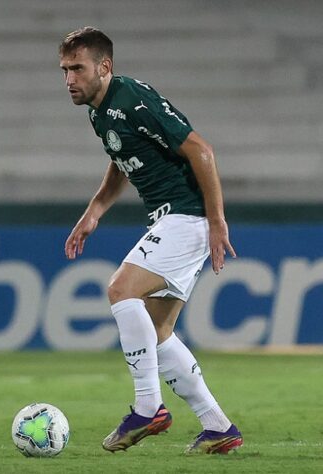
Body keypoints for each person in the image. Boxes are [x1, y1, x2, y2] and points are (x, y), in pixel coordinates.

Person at [59, 26, 243, 455]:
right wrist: (94, 211)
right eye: (64, 70)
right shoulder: (98, 112)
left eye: (77, 69)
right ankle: (218, 426)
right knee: (158, 332)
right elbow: (121, 158)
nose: (69, 79)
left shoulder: (133, 99)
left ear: (104, 67)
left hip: (187, 215)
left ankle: (149, 408)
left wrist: (216, 220)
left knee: (121, 290)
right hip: (175, 219)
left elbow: (201, 150)